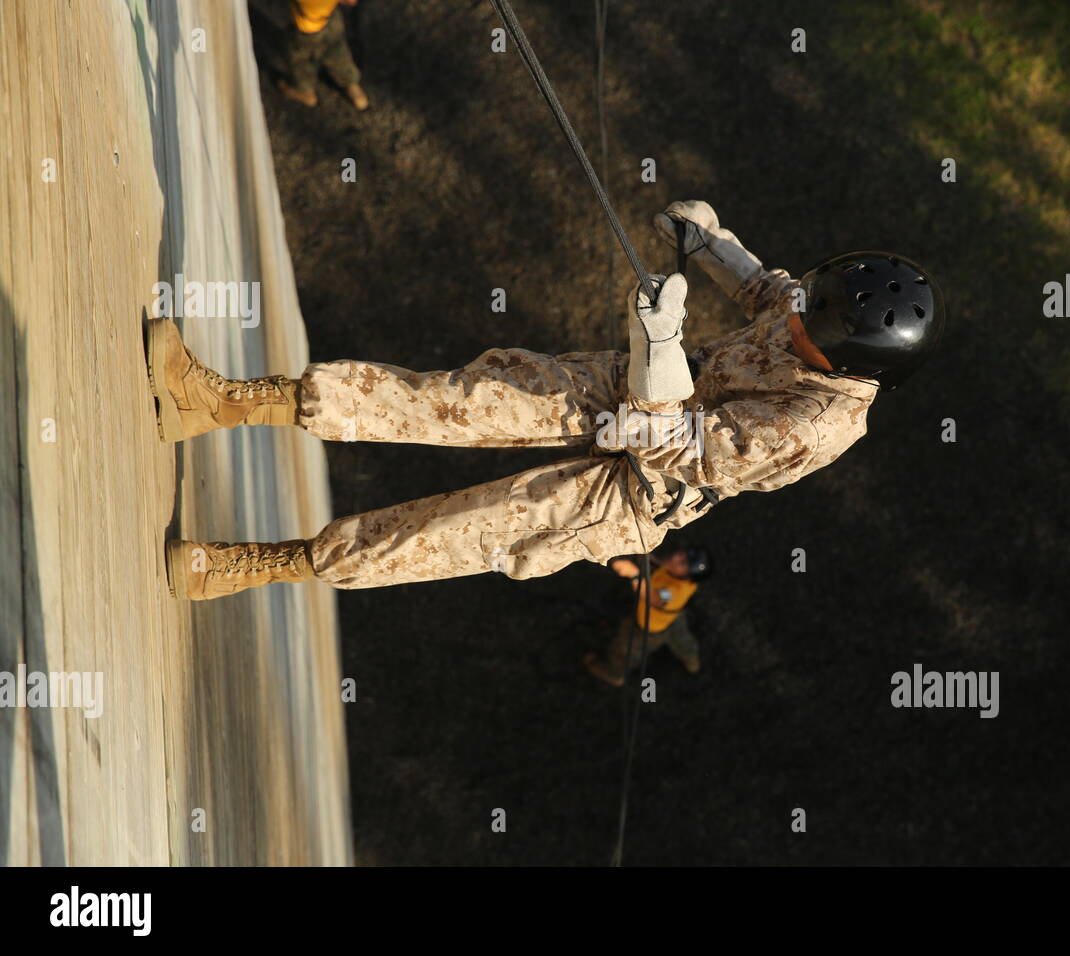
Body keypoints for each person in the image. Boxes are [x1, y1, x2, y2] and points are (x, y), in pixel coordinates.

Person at [148, 200, 945, 600]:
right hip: (628, 389)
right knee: (455, 399)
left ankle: (249, 566)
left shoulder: (819, 426)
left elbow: (682, 447)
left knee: (450, 533)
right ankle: (218, 401)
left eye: (811, 320)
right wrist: (714, 244)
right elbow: (768, 293)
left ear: (844, 364)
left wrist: (658, 346)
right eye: (809, 298)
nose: (796, 311)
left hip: (634, 489)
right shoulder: (811, 314)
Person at [584, 548, 711, 687]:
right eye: (682, 553)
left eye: (683, 562)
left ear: (687, 577)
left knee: (627, 650)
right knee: (681, 638)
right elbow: (661, 565)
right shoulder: (683, 577)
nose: (676, 557)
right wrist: (646, 558)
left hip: (649, 628)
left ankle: (616, 674)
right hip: (673, 617)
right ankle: (691, 660)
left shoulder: (674, 593)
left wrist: (634, 575)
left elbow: (654, 598)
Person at [277, 0, 369, 111]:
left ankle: (305, 92)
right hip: (330, 19)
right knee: (338, 53)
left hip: (305, 31)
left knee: (300, 62)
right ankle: (354, 90)